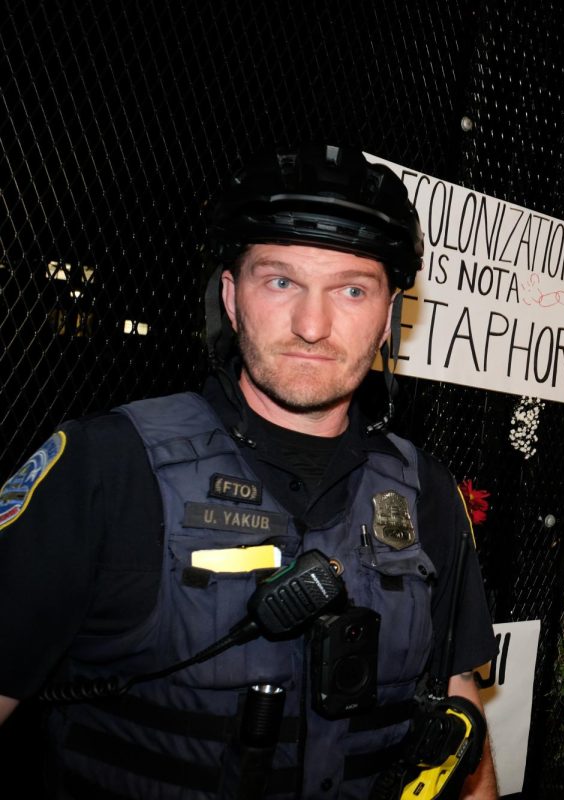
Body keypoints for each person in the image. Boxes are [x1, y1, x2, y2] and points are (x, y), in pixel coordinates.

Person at [0, 144, 498, 799]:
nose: (312, 325)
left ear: (387, 317)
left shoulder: (427, 495)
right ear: (232, 298)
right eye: (281, 281)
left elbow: (461, 733)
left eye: (352, 289)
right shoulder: (107, 469)